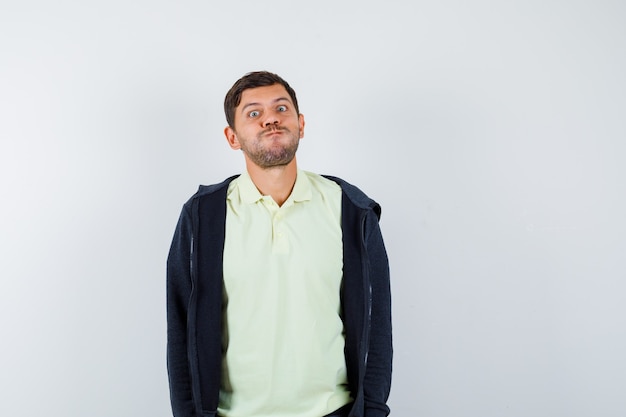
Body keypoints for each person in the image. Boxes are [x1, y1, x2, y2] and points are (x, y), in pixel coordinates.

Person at [166, 71, 392, 417]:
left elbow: (377, 328)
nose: (271, 118)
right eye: (253, 113)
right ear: (232, 137)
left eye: (281, 108)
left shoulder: (351, 209)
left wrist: (372, 411)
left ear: (301, 124)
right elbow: (180, 329)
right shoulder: (202, 217)